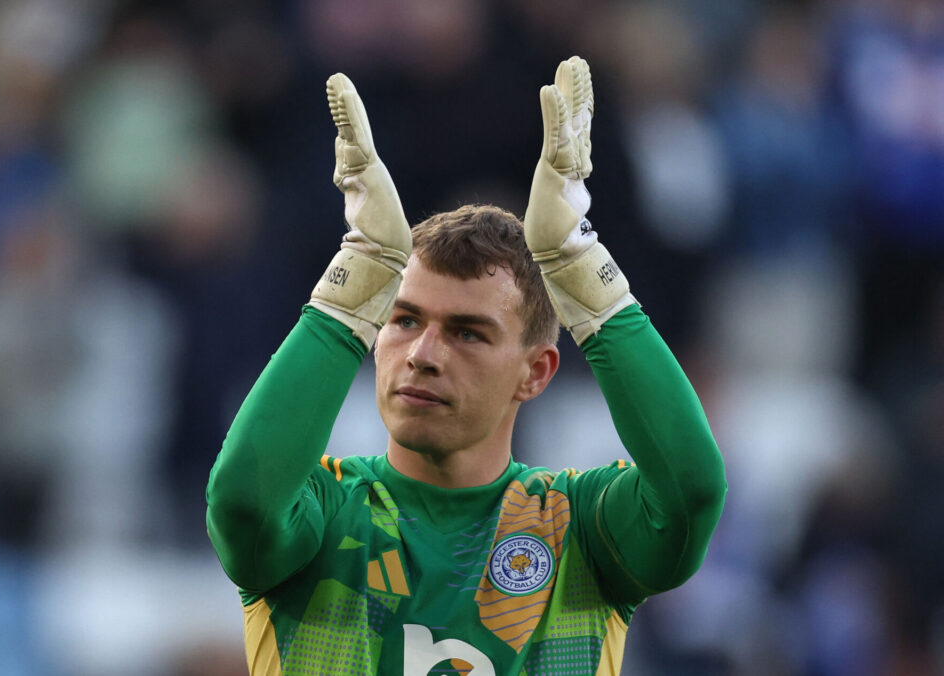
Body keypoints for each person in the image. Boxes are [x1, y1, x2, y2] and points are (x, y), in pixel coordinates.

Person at [206, 56, 726, 675]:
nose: (423, 356)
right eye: (403, 320)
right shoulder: (321, 512)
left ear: (536, 372)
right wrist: (351, 290)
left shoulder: (581, 531)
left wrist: (584, 275)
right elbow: (239, 501)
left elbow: (692, 494)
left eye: (468, 333)